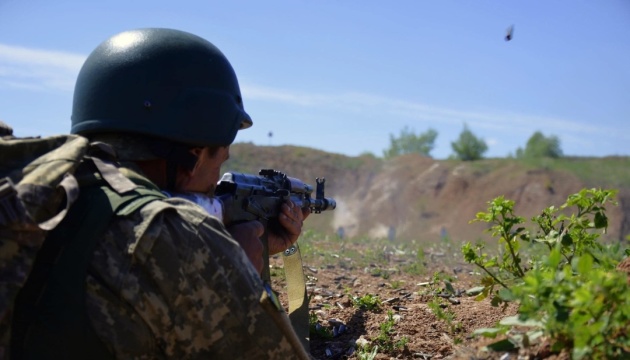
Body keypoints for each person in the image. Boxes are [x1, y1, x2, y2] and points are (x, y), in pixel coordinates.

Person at [11, 28, 311, 359]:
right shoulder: (171, 234)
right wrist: (238, 270)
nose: (215, 183)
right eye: (220, 160)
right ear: (193, 156)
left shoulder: (36, 185)